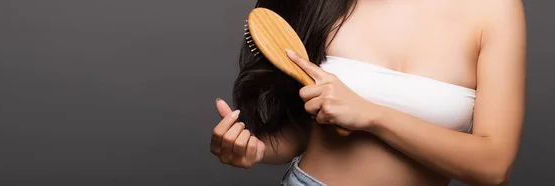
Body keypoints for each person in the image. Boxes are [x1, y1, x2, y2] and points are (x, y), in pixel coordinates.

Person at [210, 0, 526, 185]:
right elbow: (303, 134)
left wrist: (372, 115)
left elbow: (494, 166)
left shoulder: (495, 9)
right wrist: (255, 149)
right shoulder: (325, 4)